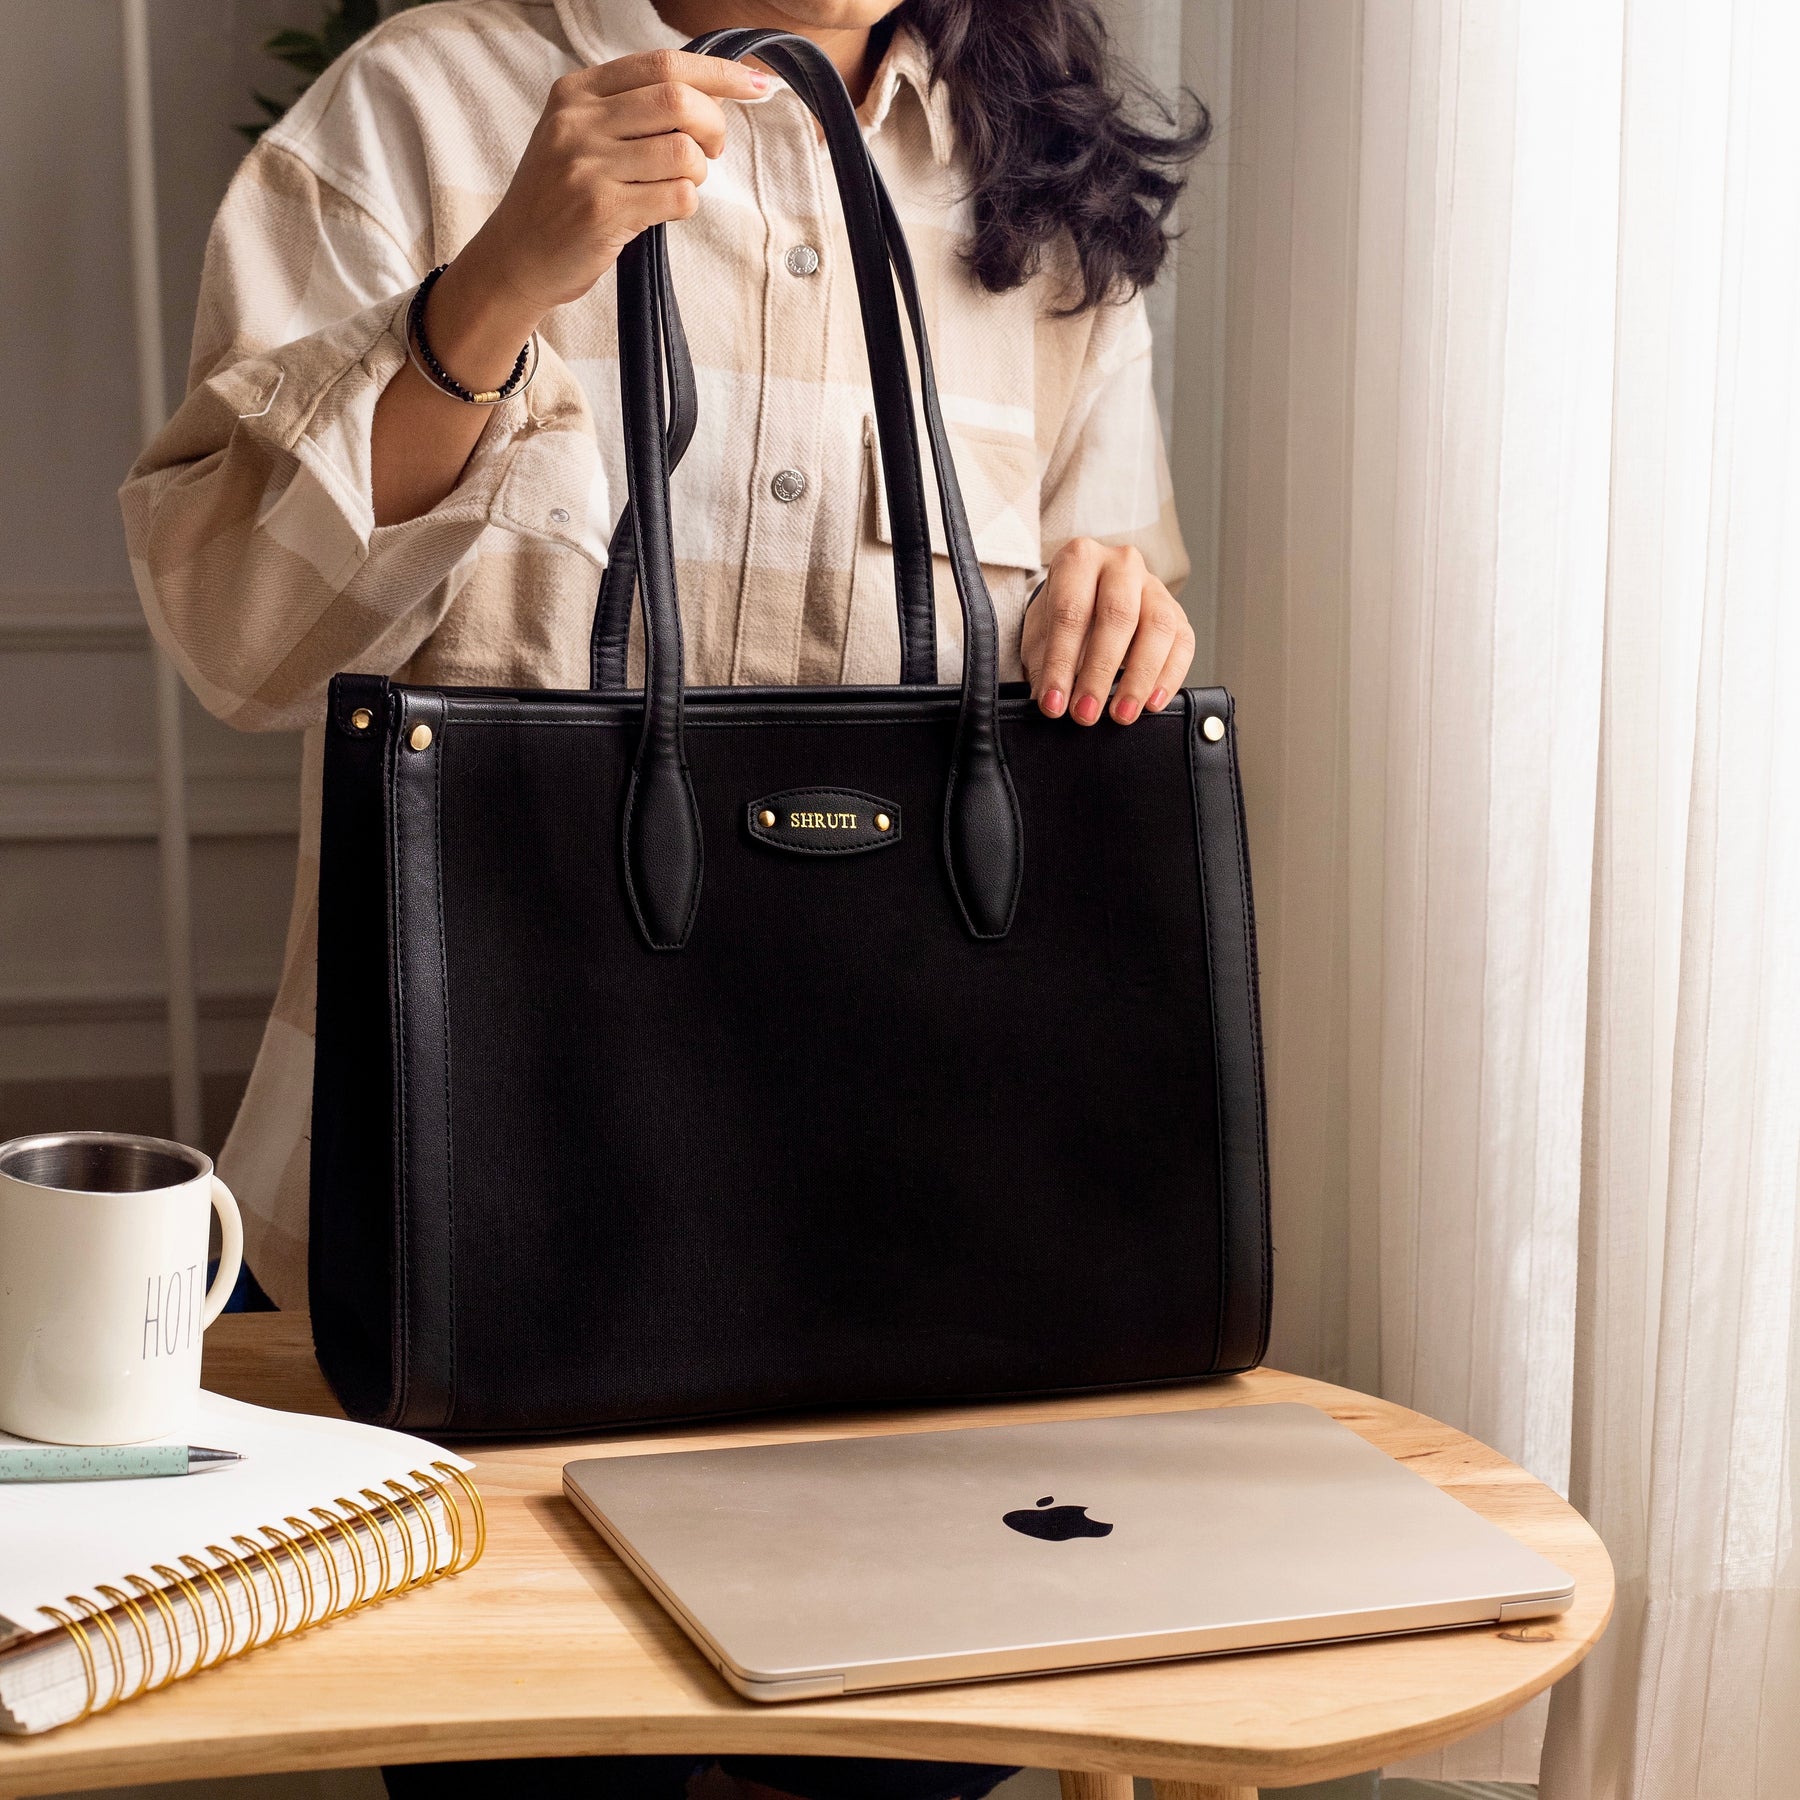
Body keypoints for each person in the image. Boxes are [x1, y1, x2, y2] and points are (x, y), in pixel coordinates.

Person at [122, 1, 1206, 1794]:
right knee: (527, 1766)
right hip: (487, 1210)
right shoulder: (413, 110)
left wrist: (1123, 616)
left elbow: (1102, 653)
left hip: (909, 1242)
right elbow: (237, 636)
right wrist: (488, 295)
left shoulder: (1040, 184)